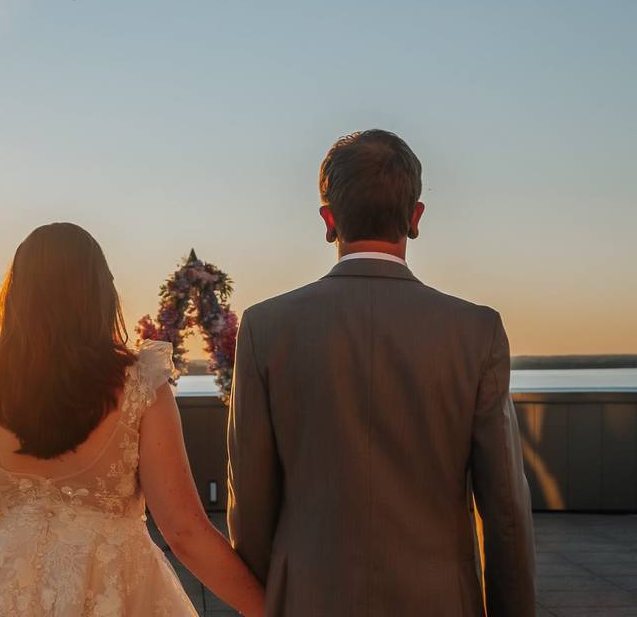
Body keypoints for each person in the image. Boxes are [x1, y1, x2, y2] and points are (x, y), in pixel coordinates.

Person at [227, 129, 536, 616]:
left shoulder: (265, 328)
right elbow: (506, 511)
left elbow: (252, 502)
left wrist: (275, 597)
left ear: (328, 221)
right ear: (415, 218)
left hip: (308, 599)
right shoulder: (476, 331)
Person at [0, 223, 264, 616]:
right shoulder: (140, 384)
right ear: (100, 293)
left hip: (0, 595)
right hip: (116, 591)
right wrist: (268, 608)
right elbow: (184, 531)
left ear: (17, 295)